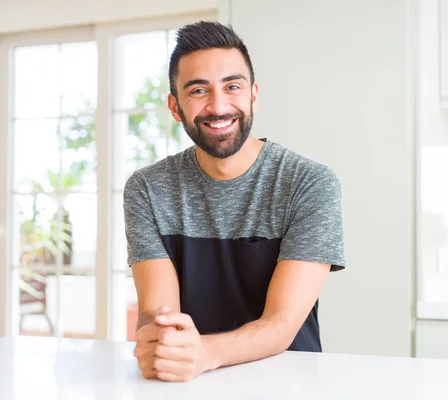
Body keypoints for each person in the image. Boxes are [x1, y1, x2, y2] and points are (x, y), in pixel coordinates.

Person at [124, 20, 345, 382]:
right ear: (175, 106)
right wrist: (159, 342)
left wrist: (204, 353)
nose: (218, 105)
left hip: (290, 384)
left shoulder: (310, 183)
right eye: (198, 91)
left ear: (253, 93)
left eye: (232, 86)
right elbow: (157, 312)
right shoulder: (147, 189)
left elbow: (282, 323)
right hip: (189, 384)